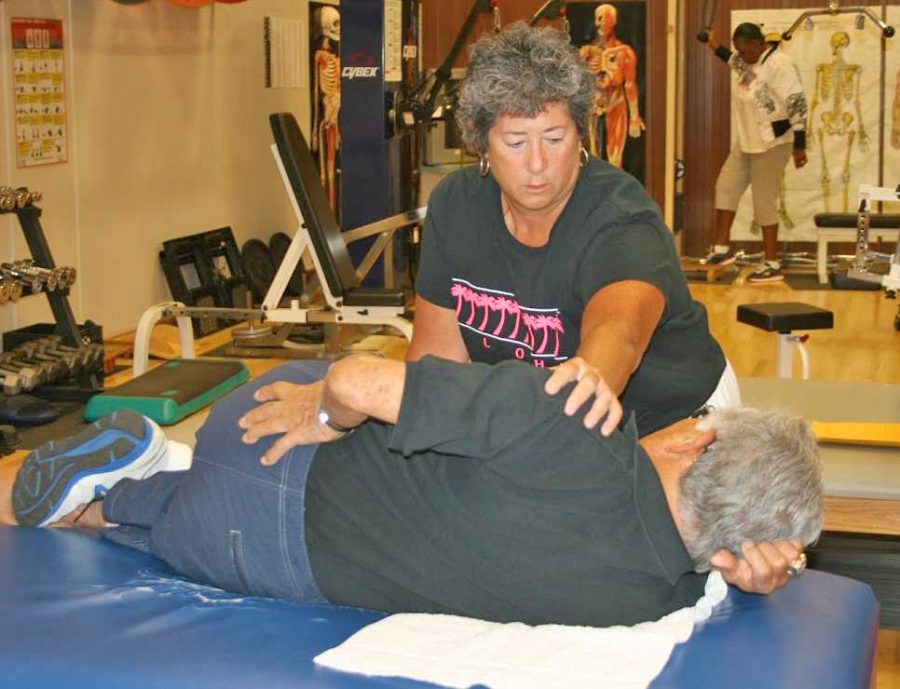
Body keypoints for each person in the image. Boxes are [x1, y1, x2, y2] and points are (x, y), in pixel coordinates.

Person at [8, 357, 820, 627]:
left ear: (694, 436)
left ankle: (144, 465)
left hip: (268, 443)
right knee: (131, 527)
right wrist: (748, 572)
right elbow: (707, 560)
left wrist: (323, 406)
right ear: (730, 550)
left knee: (323, 403)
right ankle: (125, 495)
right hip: (257, 562)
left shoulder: (571, 422)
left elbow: (359, 380)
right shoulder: (656, 599)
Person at [408, 22, 737, 439]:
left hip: (674, 421)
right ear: (480, 145)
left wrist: (586, 381)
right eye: (515, 142)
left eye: (554, 137)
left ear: (581, 134)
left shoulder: (619, 216)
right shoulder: (457, 206)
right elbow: (435, 365)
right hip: (540, 420)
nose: (537, 163)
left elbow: (618, 339)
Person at [703, 23, 809, 284]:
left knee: (764, 202)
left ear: (756, 43)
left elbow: (797, 102)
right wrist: (714, 44)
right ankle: (721, 250)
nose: (741, 55)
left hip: (773, 143)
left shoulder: (779, 64)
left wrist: (799, 144)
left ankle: (772, 263)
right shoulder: (747, 62)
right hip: (748, 140)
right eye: (738, 50)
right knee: (726, 186)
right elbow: (732, 60)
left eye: (744, 49)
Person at [578, 3, 645, 168]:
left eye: (606, 17)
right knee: (590, 156)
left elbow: (630, 84)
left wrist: (635, 117)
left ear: (614, 21)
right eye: (599, 18)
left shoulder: (625, 52)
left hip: (615, 102)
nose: (602, 22)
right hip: (593, 103)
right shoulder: (587, 51)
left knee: (615, 156)